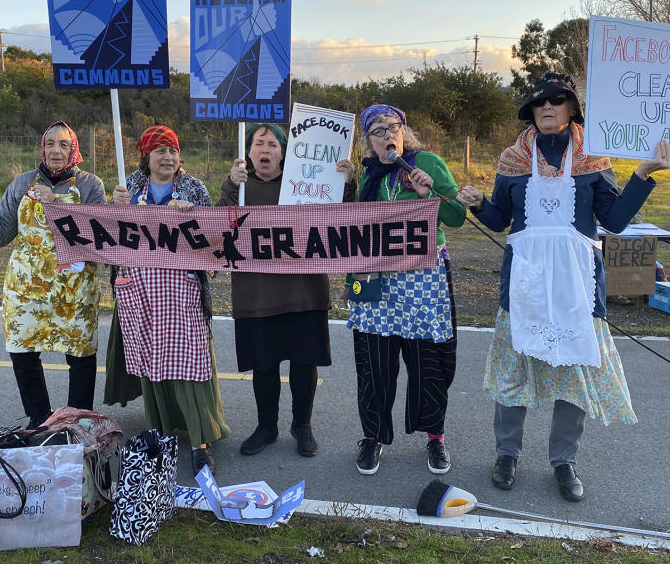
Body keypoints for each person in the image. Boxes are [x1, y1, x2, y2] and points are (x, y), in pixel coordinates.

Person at [456, 72, 670, 502]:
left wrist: (643, 175)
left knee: (573, 373)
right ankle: (506, 454)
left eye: (557, 101)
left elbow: (612, 222)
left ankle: (564, 461)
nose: (547, 108)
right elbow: (502, 219)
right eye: (539, 103)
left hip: (579, 282)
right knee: (514, 372)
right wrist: (481, 203)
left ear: (572, 108)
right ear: (531, 112)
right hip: (523, 282)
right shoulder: (513, 159)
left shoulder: (593, 159)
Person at [0, 121, 105, 429]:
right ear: (42, 149)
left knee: (80, 353)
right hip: (26, 288)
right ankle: (39, 418)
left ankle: (78, 421)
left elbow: (98, 238)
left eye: (63, 144)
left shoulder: (90, 186)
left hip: (74, 291)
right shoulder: (22, 183)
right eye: (50, 144)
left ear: (74, 148)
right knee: (22, 350)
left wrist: (56, 206)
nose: (55, 150)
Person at [217, 123, 355, 457]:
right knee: (264, 364)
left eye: (272, 145)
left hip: (303, 289)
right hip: (257, 293)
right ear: (249, 152)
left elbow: (343, 214)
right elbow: (219, 229)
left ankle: (302, 426)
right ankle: (266, 427)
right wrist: (230, 188)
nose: (265, 150)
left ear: (284, 151)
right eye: (258, 144)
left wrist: (348, 183)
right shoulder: (240, 187)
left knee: (304, 361)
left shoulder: (306, 183)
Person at [346, 104, 466, 476]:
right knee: (374, 363)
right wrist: (348, 184)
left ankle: (435, 436)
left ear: (404, 131)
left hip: (423, 276)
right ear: (368, 142)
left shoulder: (426, 162)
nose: (386, 135)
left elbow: (456, 217)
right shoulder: (367, 177)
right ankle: (372, 436)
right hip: (373, 276)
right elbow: (346, 226)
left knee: (428, 361)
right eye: (377, 131)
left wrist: (430, 195)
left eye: (392, 127)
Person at [109, 125, 230, 475]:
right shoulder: (127, 187)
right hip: (141, 289)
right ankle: (161, 433)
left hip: (182, 290)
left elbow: (215, 240)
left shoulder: (194, 189)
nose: (168, 157)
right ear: (146, 156)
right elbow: (105, 235)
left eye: (173, 150)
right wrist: (114, 208)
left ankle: (201, 441)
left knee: (191, 361)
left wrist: (194, 215)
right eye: (160, 150)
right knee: (152, 359)